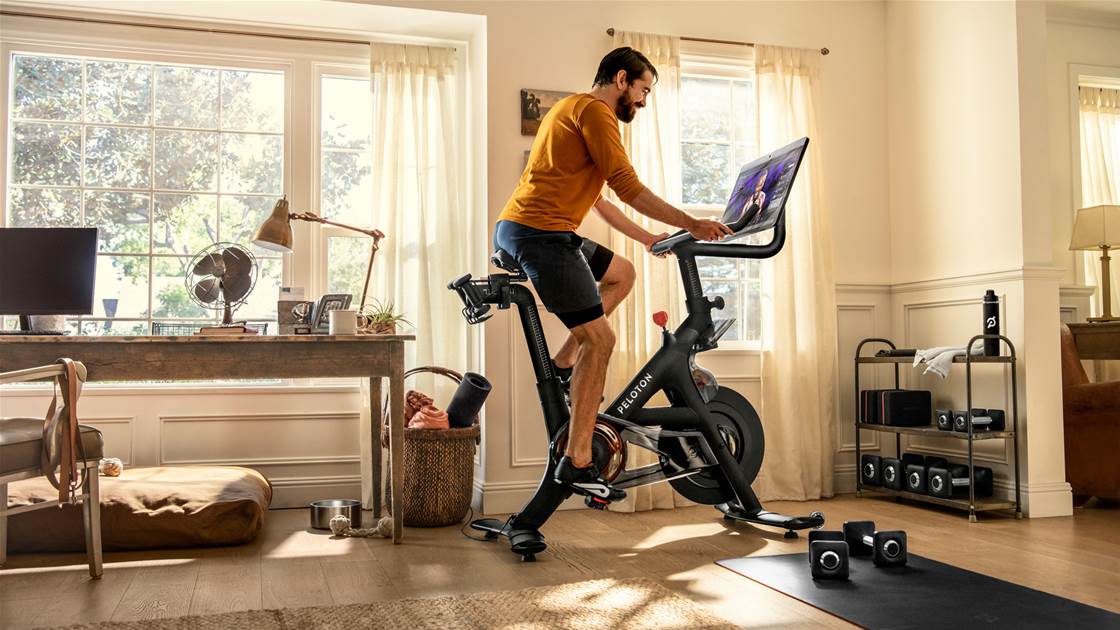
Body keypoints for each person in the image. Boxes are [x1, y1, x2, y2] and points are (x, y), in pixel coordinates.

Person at [493, 46, 733, 503]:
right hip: (539, 234)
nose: (643, 101)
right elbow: (627, 186)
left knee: (622, 274)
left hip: (527, 227)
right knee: (601, 340)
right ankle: (578, 461)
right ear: (622, 79)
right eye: (642, 90)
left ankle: (565, 362)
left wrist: (646, 239)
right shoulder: (596, 113)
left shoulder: (569, 108)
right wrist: (692, 224)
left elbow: (601, 199)